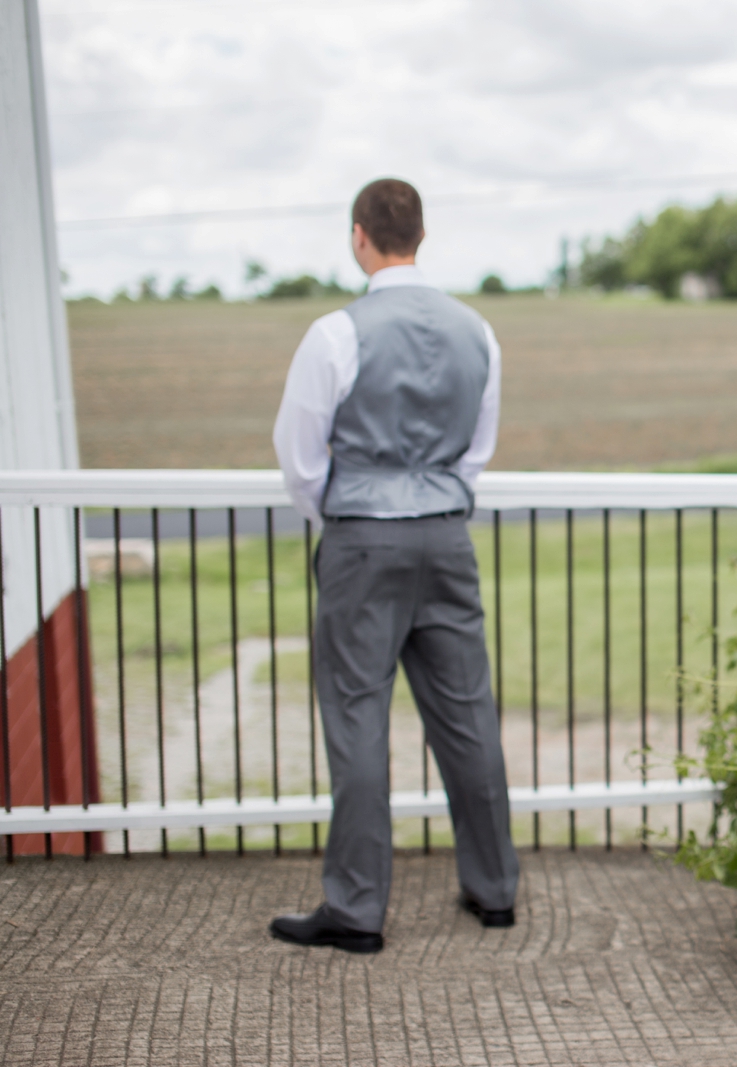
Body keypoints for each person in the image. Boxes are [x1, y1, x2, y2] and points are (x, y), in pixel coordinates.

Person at [267, 178, 519, 954]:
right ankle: (495, 890)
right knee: (467, 712)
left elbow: (299, 455)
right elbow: (478, 447)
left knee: (356, 716)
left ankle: (356, 908)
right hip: (445, 535)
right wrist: (436, 498)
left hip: (362, 537)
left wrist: (342, 511)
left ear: (359, 236)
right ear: (420, 235)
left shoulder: (335, 334)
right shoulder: (477, 329)